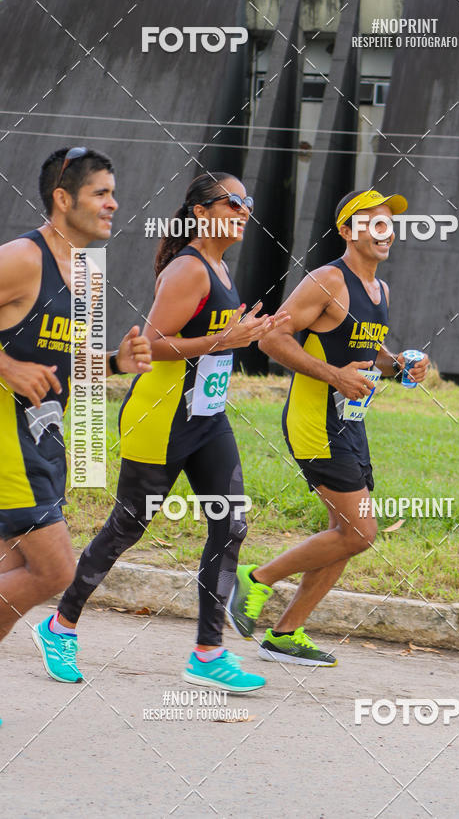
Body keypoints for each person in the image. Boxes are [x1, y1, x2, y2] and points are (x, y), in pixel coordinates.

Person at [37, 171, 286, 693]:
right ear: (201, 211)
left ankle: (207, 653)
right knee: (127, 527)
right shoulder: (188, 269)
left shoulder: (218, 265)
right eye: (233, 202)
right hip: (161, 416)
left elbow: (211, 340)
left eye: (248, 203)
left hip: (206, 417)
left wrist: (240, 335)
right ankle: (60, 625)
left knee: (231, 523)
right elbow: (151, 346)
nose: (244, 211)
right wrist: (226, 337)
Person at [227, 188, 429, 666]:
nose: (384, 232)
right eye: (371, 223)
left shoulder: (380, 289)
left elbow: (366, 349)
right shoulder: (326, 280)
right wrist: (336, 376)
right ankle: (254, 579)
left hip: (349, 424)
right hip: (314, 421)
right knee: (360, 532)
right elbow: (272, 339)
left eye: (388, 224)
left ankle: (286, 634)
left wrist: (400, 367)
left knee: (344, 531)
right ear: (346, 231)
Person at [0, 146, 152, 685]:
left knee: (13, 573)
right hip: (7, 448)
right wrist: (7, 367)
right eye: (101, 193)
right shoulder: (22, 258)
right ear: (63, 199)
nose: (114, 203)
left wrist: (115, 361)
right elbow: (19, 363)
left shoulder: (87, 272)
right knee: (54, 570)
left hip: (41, 444)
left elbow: (66, 362)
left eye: (113, 192)